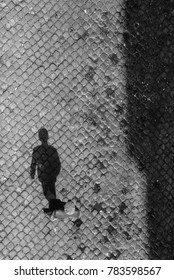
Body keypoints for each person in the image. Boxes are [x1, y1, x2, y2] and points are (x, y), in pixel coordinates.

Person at [30, 128, 63, 214]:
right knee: (51, 191)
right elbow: (58, 164)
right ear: (48, 137)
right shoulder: (53, 149)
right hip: (51, 175)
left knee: (48, 193)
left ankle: (55, 210)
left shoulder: (36, 150)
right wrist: (55, 174)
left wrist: (32, 173)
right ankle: (53, 209)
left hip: (43, 175)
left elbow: (33, 163)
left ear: (39, 138)